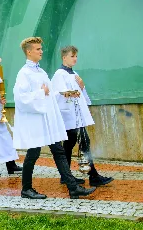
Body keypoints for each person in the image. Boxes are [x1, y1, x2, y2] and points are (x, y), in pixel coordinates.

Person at [13, 37, 96, 199]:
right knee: (33, 153)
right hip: (35, 121)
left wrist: (58, 95)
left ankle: (73, 188)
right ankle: (26, 189)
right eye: (38, 49)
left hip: (47, 120)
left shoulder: (40, 71)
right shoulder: (24, 73)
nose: (41, 51)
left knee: (58, 150)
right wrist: (40, 93)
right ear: (29, 52)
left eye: (41, 49)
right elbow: (20, 97)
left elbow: (50, 94)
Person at [51, 45, 114, 187]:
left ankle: (66, 176)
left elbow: (80, 95)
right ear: (64, 57)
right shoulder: (59, 74)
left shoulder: (74, 74)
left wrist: (82, 86)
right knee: (82, 143)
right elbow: (57, 93)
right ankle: (93, 176)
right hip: (69, 117)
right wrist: (68, 92)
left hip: (77, 117)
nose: (75, 59)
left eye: (76, 56)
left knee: (71, 144)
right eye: (72, 56)